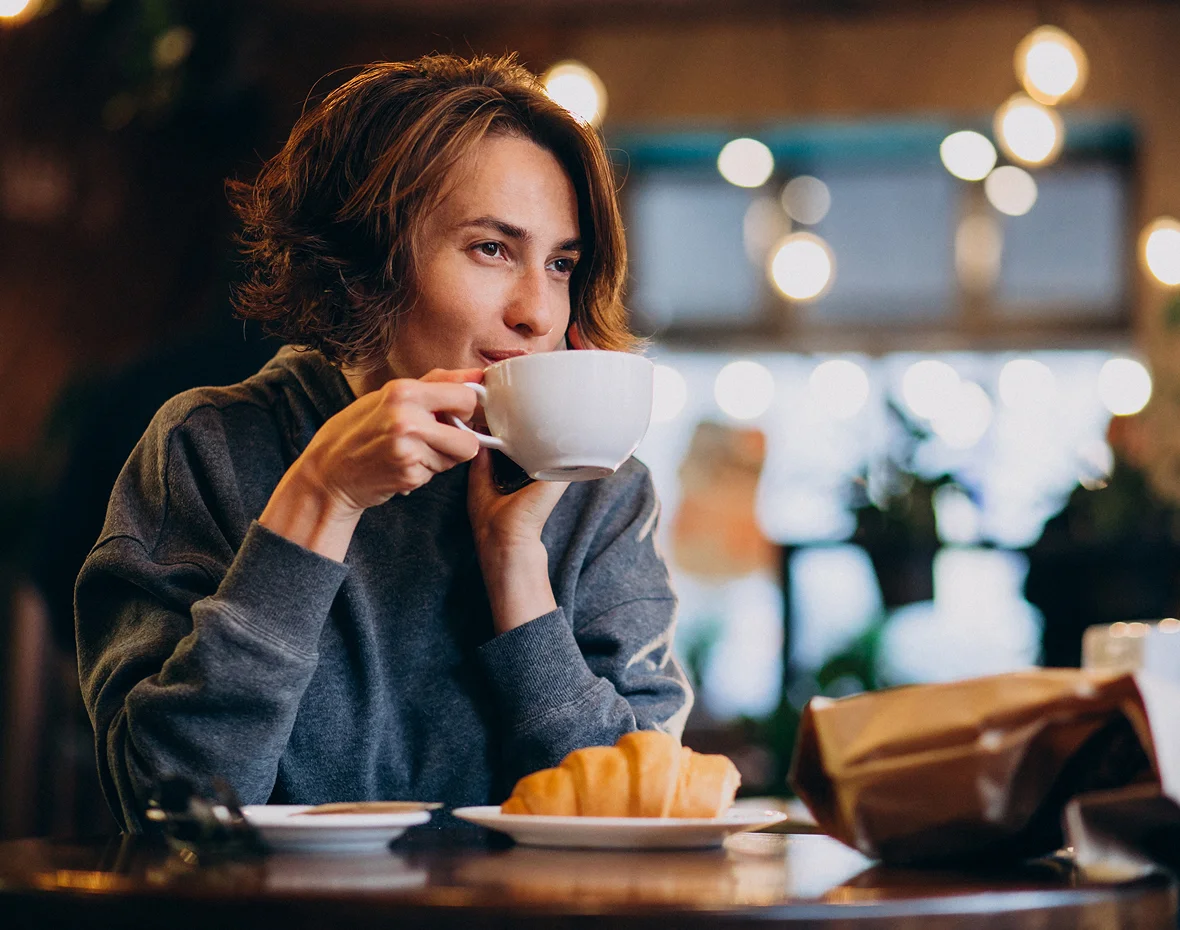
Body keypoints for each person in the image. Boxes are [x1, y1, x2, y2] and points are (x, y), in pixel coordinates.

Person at [75, 53, 693, 830]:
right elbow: (172, 808)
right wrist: (317, 500)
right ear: (363, 265)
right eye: (492, 249)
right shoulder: (214, 447)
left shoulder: (599, 490)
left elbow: (640, 816)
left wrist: (518, 575)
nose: (538, 311)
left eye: (562, 262)